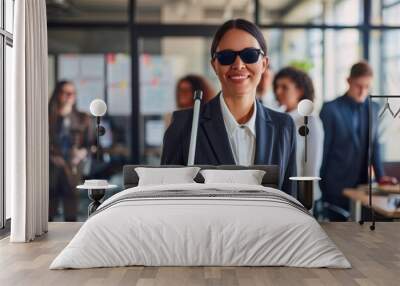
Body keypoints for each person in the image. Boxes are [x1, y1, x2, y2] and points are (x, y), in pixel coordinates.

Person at [161, 19, 297, 196]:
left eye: (250, 55)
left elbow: (290, 200)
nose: (239, 65)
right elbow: (166, 200)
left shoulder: (283, 126)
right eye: (226, 56)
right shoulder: (184, 124)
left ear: (264, 64)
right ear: (214, 66)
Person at [319, 61, 396, 220]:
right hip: (335, 186)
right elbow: (324, 150)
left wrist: (381, 177)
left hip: (362, 187)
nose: (363, 91)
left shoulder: (373, 108)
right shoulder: (330, 109)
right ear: (348, 81)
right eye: (358, 85)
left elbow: (374, 145)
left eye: (367, 87)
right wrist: (320, 186)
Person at [273, 67, 324, 209]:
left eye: (284, 87)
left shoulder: (309, 121)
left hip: (302, 197)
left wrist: (305, 202)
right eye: (277, 87)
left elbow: (312, 166)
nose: (278, 91)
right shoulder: (277, 118)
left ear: (300, 90)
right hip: (280, 195)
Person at [48, 80, 93, 221]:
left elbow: (91, 145)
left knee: (71, 212)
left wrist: (81, 153)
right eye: (66, 93)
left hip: (72, 169)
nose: (70, 96)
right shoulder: (46, 117)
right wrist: (50, 156)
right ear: (58, 94)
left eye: (73, 93)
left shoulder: (82, 118)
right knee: (48, 212)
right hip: (51, 169)